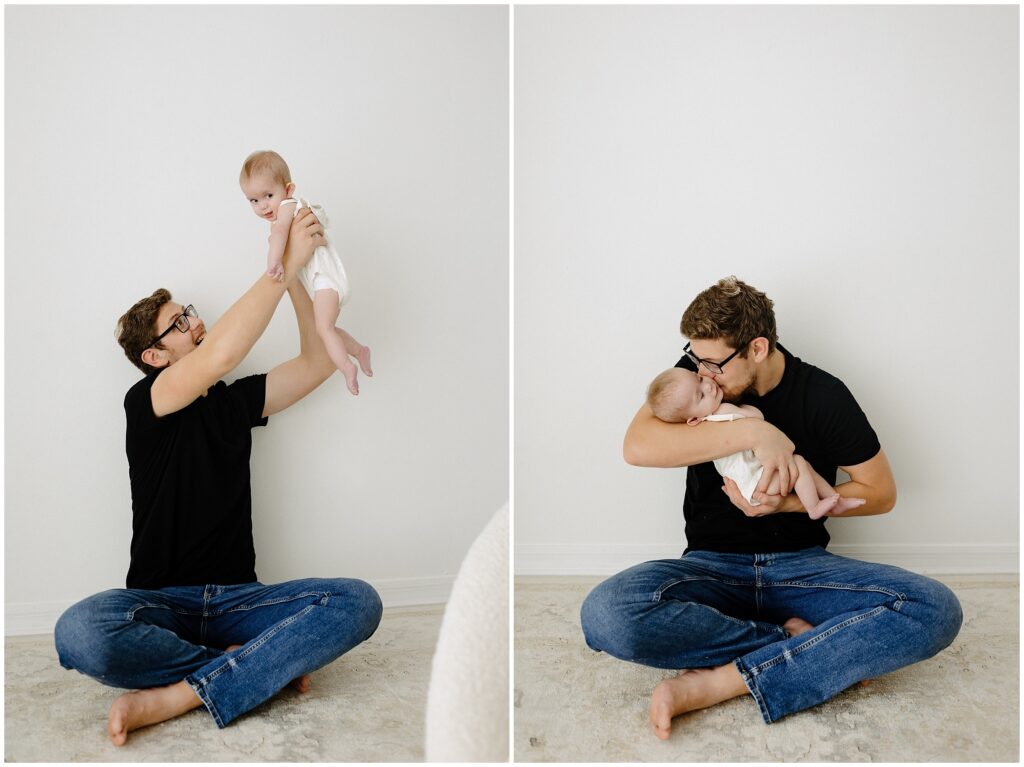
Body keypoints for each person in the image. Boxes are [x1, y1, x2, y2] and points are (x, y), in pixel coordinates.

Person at [53, 208, 383, 746]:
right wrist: (282, 264)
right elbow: (223, 350)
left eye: (191, 312)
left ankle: (183, 692)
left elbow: (318, 360)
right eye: (180, 323)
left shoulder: (235, 403)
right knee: (78, 631)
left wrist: (301, 277)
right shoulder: (147, 402)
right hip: (162, 605)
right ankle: (253, 669)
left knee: (358, 601)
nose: (196, 322)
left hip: (241, 602)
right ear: (155, 355)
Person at [580, 276, 962, 740]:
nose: (702, 374)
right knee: (607, 613)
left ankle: (721, 682)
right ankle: (797, 643)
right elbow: (636, 446)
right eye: (694, 358)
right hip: (711, 570)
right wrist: (756, 433)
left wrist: (785, 506)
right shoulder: (696, 378)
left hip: (803, 571)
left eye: (713, 364)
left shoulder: (823, 394)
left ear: (756, 348)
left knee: (935, 609)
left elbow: (880, 492)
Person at [646, 366, 866, 519]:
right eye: (700, 396)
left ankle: (831, 500)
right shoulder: (721, 412)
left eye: (700, 379)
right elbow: (757, 417)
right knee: (798, 462)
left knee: (801, 466)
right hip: (756, 482)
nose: (709, 385)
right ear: (693, 419)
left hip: (749, 486)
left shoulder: (702, 428)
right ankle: (816, 507)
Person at [240, 149, 372, 395]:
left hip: (326, 280)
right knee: (326, 329)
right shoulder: (287, 212)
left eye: (268, 195)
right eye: (253, 200)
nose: (262, 206)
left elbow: (279, 234)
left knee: (323, 329)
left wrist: (275, 262)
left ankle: (346, 368)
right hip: (323, 282)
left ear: (288, 189)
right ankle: (359, 350)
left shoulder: (289, 207)